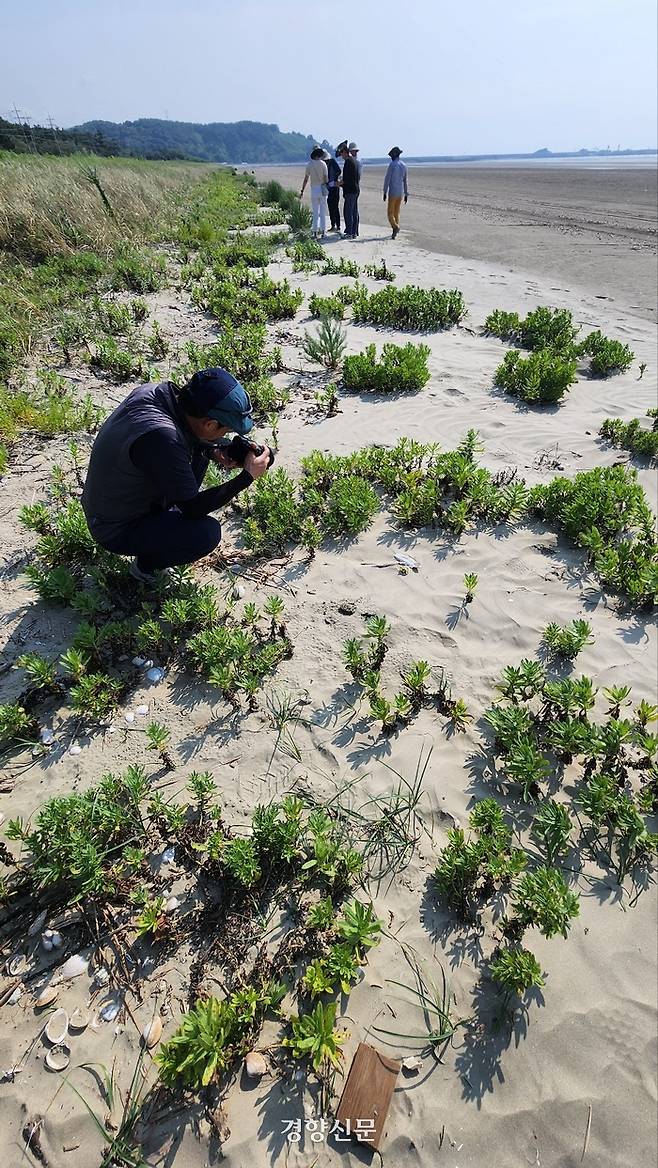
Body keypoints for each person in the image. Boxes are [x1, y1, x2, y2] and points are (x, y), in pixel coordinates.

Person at [81, 368, 271, 585]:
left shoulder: (154, 393)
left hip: (109, 503)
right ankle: (144, 568)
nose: (225, 436)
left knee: (200, 450)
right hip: (115, 528)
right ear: (209, 423)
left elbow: (179, 441)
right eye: (225, 430)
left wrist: (214, 449)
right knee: (205, 534)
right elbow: (193, 508)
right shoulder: (164, 438)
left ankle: (164, 523)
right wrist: (247, 477)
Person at [299, 145, 329, 239]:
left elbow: (306, 179)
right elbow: (326, 178)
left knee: (315, 212)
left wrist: (302, 190)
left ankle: (315, 232)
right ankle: (323, 232)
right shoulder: (323, 164)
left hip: (314, 189)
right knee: (323, 211)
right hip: (322, 188)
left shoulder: (309, 165)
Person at [383, 146, 408, 238]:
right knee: (396, 213)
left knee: (390, 213)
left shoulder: (392, 165)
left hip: (393, 192)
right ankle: (395, 231)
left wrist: (385, 191)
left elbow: (387, 179)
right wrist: (406, 193)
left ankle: (395, 227)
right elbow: (405, 181)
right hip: (400, 192)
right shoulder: (404, 165)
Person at [338, 143, 360, 240]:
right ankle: (354, 232)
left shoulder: (348, 162)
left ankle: (349, 232)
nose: (341, 156)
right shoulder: (354, 161)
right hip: (355, 189)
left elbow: (346, 180)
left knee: (348, 212)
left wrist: (337, 184)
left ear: (344, 152)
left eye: (341, 153)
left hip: (350, 190)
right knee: (354, 211)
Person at [326, 149, 342, 232]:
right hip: (329, 188)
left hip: (335, 187)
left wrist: (334, 180)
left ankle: (338, 226)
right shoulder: (326, 163)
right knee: (330, 206)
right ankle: (333, 225)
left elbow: (339, 171)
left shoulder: (332, 161)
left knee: (335, 207)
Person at [348, 142, 362, 236]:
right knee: (354, 210)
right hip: (356, 187)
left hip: (354, 187)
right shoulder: (357, 161)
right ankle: (355, 231)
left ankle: (353, 230)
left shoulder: (355, 161)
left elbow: (357, 176)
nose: (354, 153)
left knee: (352, 210)